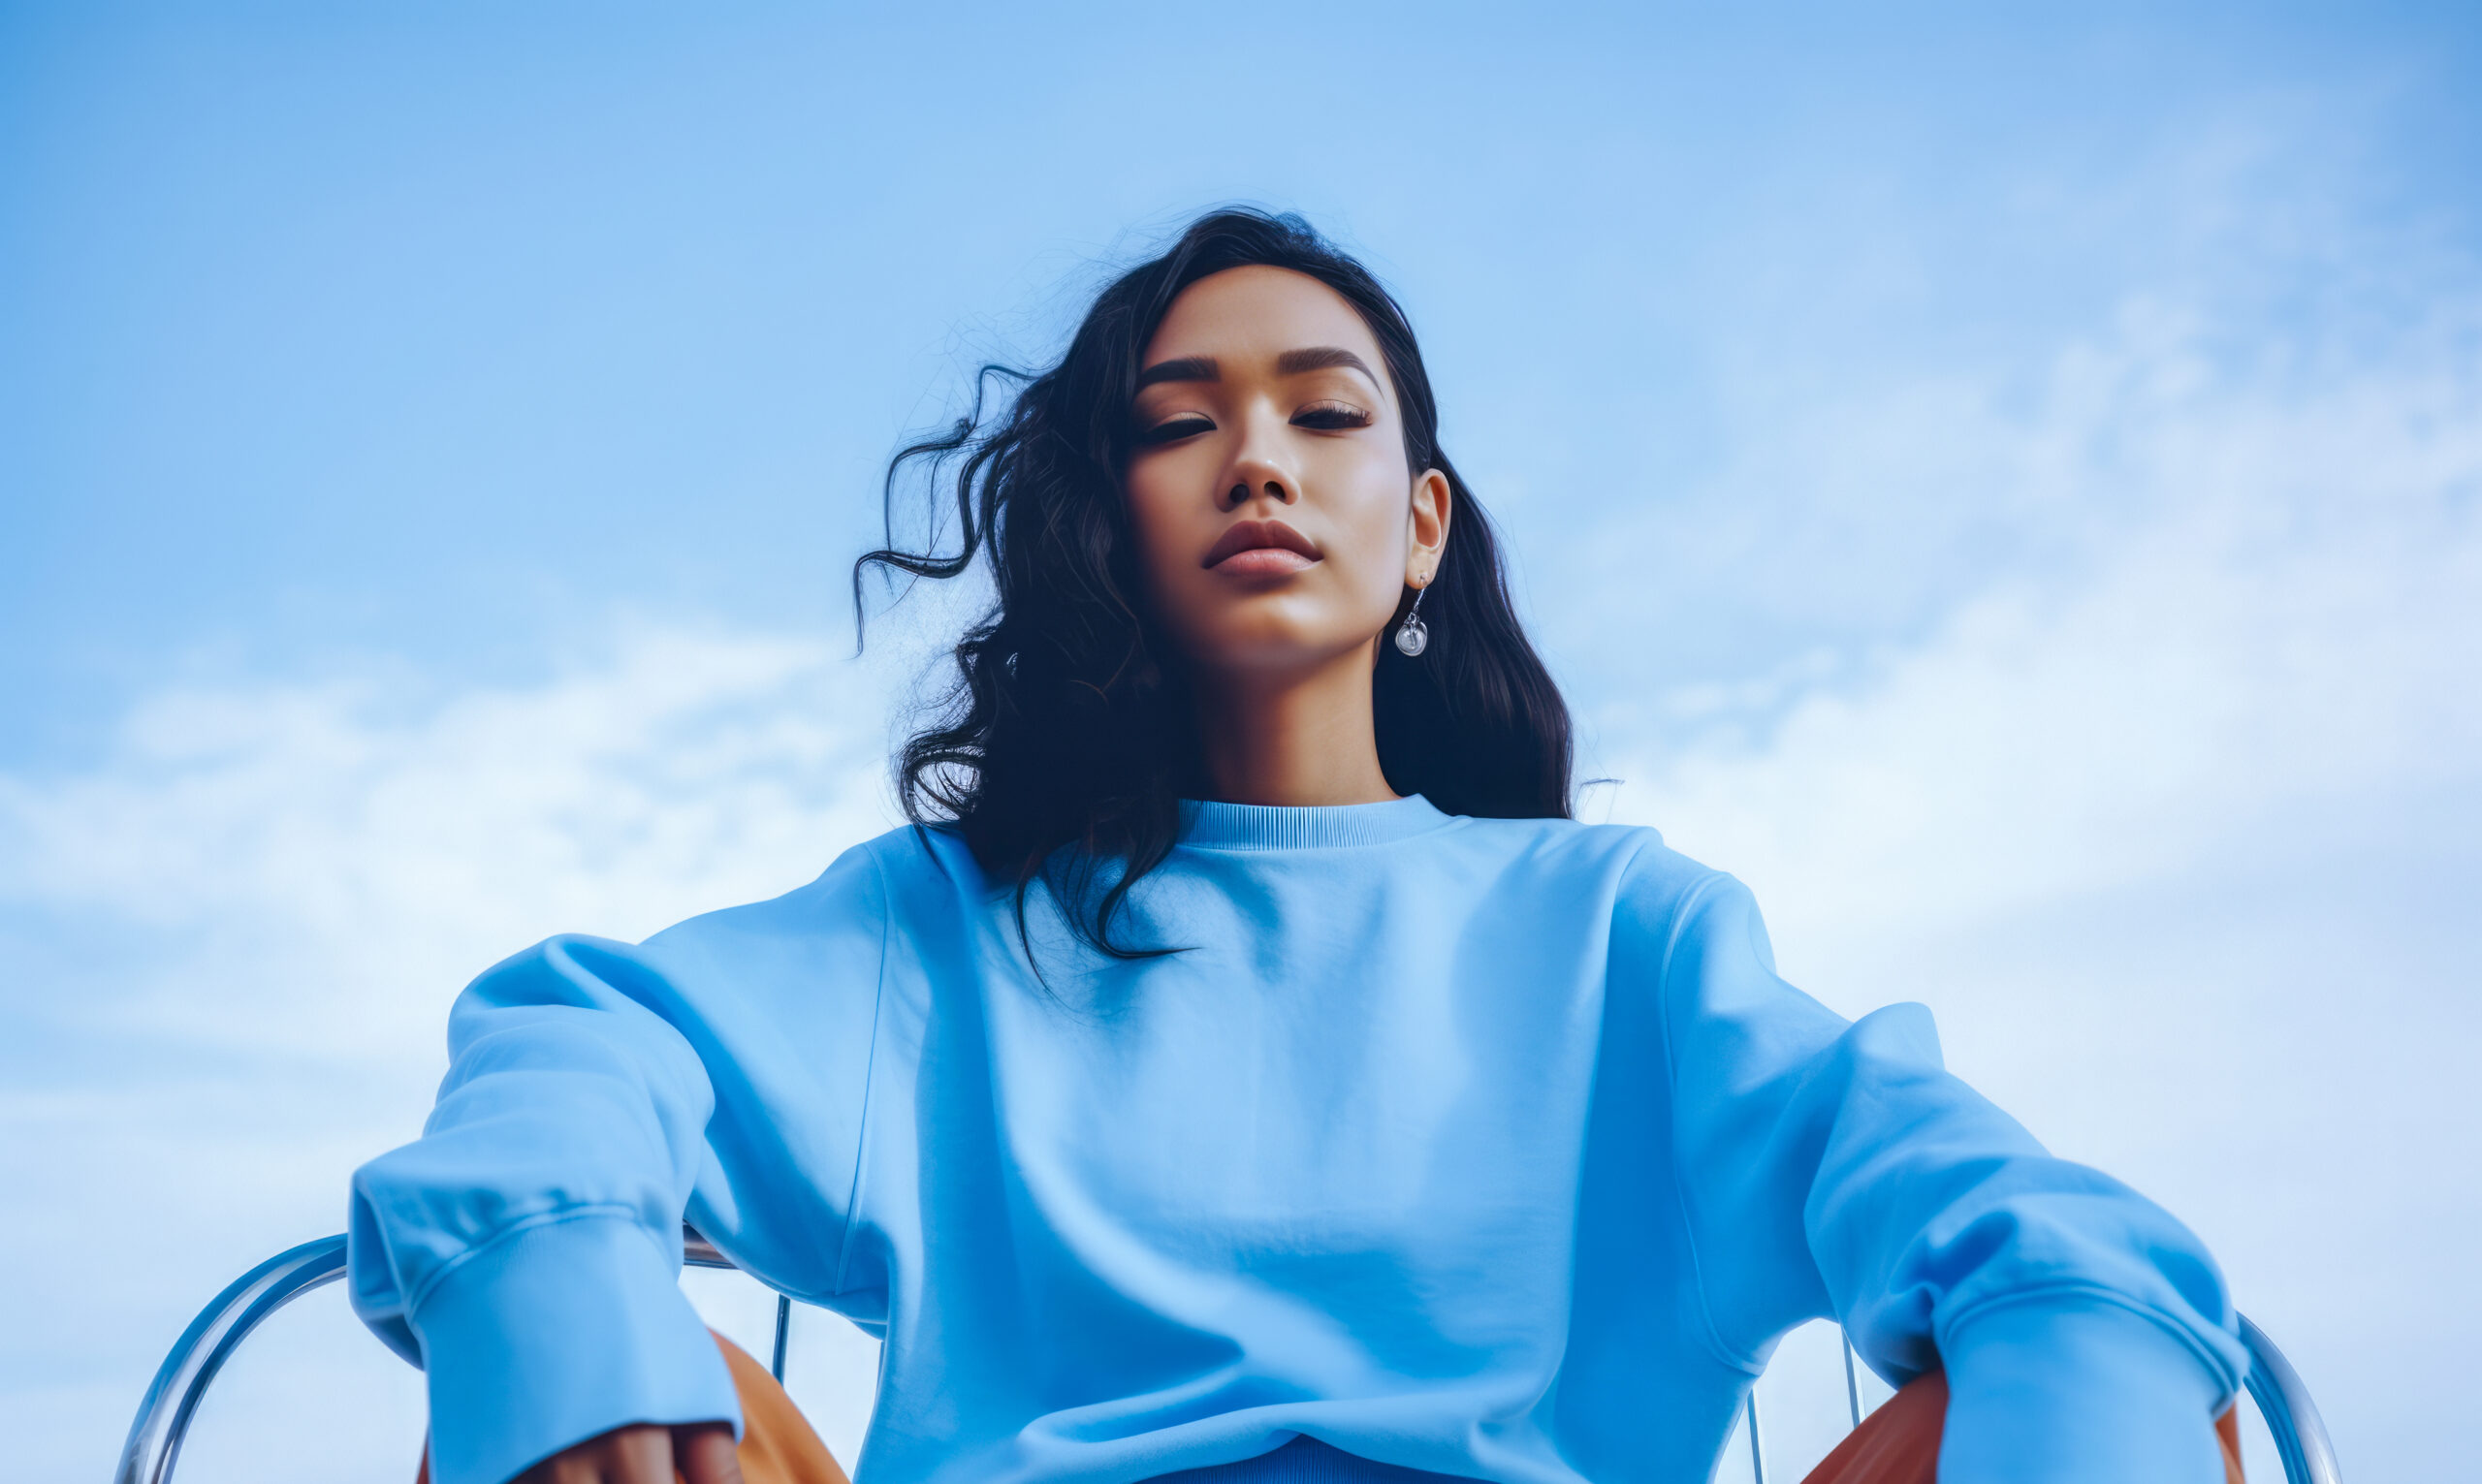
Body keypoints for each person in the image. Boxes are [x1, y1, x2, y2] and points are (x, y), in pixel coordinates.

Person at [349, 210, 2251, 1484]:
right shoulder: (936, 937)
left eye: (1320, 414)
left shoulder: (1618, 936)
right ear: (1108, 516)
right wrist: (554, 1273)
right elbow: (580, 1037)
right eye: (1180, 427)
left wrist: (2081, 1345)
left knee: (2126, 1393)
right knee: (597, 1402)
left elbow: (2036, 1232)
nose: (1256, 458)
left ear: (1417, 522)